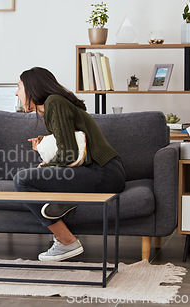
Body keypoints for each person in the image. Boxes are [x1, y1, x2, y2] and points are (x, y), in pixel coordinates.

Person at [13, 67, 126, 261]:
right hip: (99, 171)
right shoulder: (54, 105)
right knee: (32, 178)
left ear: (32, 88)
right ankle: (65, 200)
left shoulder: (54, 103)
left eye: (19, 87)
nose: (16, 93)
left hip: (104, 172)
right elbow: (71, 143)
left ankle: (67, 241)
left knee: (23, 179)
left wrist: (45, 167)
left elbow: (69, 153)